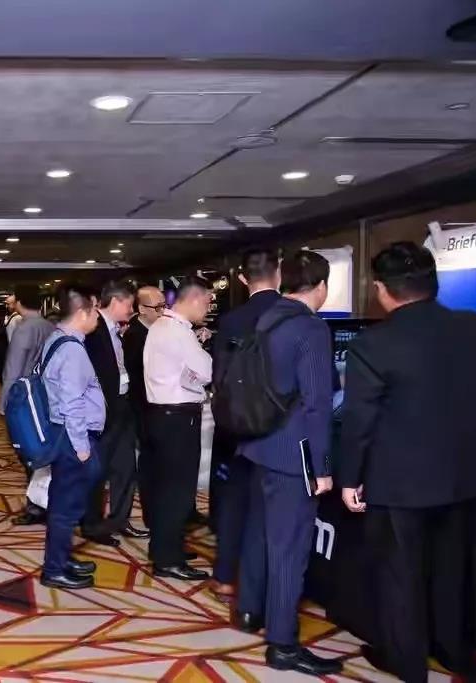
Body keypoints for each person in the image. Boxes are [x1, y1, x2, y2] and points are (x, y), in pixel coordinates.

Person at [338, 242, 476, 682]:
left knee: (400, 576)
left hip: (399, 483)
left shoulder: (374, 344)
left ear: (382, 290)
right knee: (454, 570)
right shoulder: (474, 327)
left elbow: (359, 420)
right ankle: (456, 652)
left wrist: (350, 478)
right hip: (466, 476)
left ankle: (407, 662)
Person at [233, 250, 341, 676]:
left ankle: (250, 610)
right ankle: (282, 644)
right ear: (322, 286)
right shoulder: (310, 328)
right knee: (289, 551)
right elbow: (317, 404)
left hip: (260, 445)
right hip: (294, 455)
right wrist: (323, 466)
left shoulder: (267, 318)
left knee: (261, 536)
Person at [209, 249, 281, 604]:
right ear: (278, 274)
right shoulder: (291, 316)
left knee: (234, 499)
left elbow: (218, 375)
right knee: (270, 509)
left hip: (235, 424)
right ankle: (263, 586)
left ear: (242, 279)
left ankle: (225, 576)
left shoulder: (231, 320)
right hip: (278, 425)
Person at [143, 276, 212, 581]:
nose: (208, 308)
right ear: (194, 299)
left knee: (165, 488)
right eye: (207, 301)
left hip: (161, 415)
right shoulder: (178, 331)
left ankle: (163, 548)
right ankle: (168, 559)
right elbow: (207, 371)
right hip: (178, 418)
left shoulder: (162, 325)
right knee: (177, 491)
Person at [39, 283, 104, 590]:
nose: (98, 316)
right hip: (72, 436)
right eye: (96, 310)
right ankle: (54, 569)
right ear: (82, 313)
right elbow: (72, 402)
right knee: (67, 506)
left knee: (63, 503)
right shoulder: (72, 350)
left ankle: (61, 558)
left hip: (62, 432)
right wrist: (81, 447)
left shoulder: (56, 339)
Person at [83, 281, 149, 545]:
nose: (132, 310)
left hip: (123, 407)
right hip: (102, 411)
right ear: (116, 301)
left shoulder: (116, 329)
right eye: (129, 304)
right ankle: (93, 525)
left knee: (125, 468)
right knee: (97, 472)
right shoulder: (93, 328)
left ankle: (119, 520)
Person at [0, 285, 56, 525]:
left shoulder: (24, 329)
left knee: (29, 452)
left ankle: (37, 507)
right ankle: (46, 502)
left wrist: (4, 403)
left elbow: (13, 370)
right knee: (45, 450)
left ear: (20, 302)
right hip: (47, 395)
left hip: (25, 398)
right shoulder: (50, 326)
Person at [121, 285, 165, 528]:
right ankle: (151, 514)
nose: (162, 311)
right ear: (141, 309)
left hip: (160, 406)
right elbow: (135, 378)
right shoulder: (134, 336)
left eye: (164, 306)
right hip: (143, 407)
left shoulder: (162, 329)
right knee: (148, 462)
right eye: (157, 307)